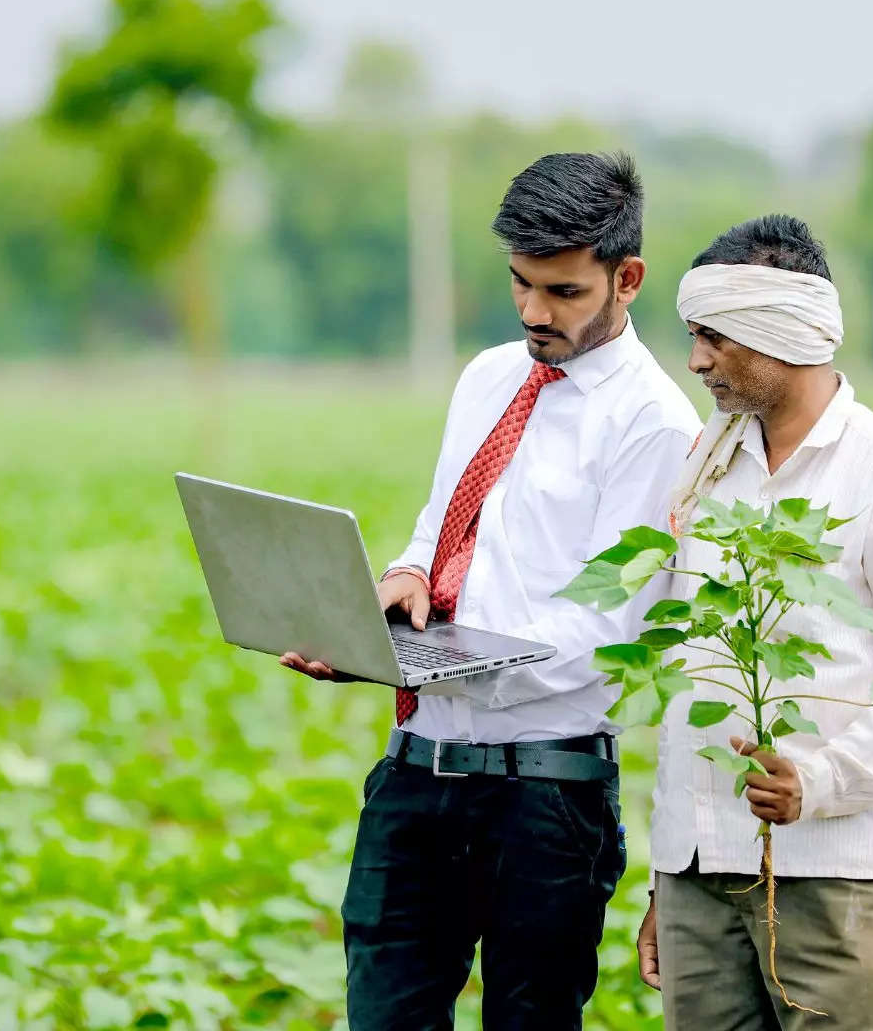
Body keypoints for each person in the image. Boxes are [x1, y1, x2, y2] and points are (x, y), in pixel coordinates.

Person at [282, 151, 697, 1029]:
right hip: (415, 774)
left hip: (544, 801)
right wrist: (397, 589)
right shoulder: (488, 377)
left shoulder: (654, 423)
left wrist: (426, 664)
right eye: (520, 284)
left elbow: (604, 630)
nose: (534, 312)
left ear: (628, 280)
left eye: (562, 292)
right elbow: (443, 526)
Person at [637, 215, 873, 1029]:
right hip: (699, 872)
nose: (696, 361)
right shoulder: (706, 467)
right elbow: (688, 675)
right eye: (693, 336)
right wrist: (665, 880)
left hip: (839, 876)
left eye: (715, 338)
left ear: (783, 330)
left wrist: (818, 781)